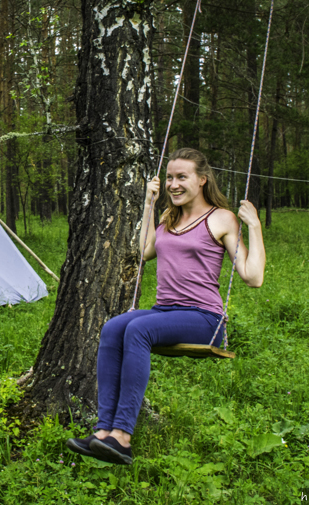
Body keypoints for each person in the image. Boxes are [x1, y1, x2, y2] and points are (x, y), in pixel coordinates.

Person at [66, 148, 266, 465]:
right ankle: (103, 431)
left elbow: (253, 277)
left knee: (138, 330)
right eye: (170, 177)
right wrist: (149, 204)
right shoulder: (168, 218)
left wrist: (253, 226)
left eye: (181, 177)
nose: (173, 184)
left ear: (202, 180)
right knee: (113, 327)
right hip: (165, 311)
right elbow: (145, 251)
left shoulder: (221, 218)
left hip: (204, 318)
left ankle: (123, 437)